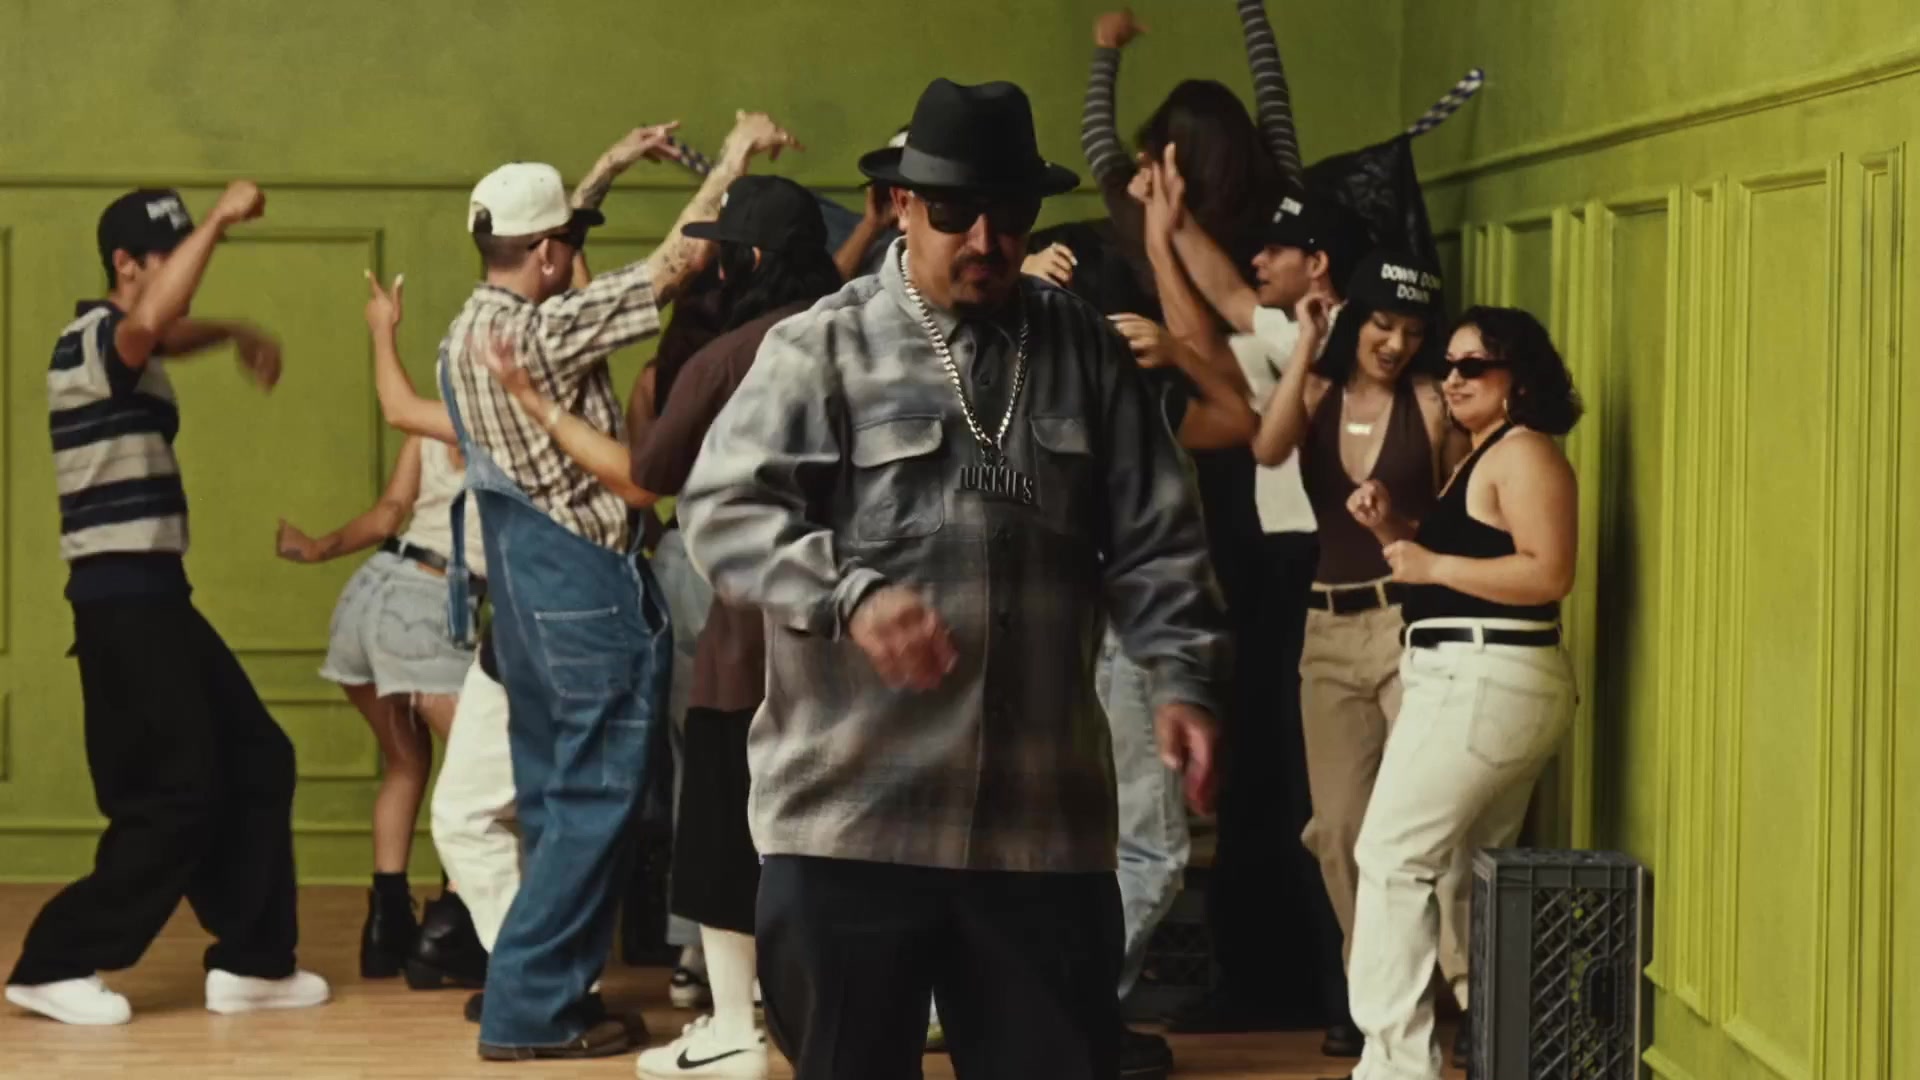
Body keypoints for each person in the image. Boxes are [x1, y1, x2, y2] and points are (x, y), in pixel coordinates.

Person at [679, 77, 1225, 1080]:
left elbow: (1160, 536)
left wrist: (1182, 676)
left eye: (1008, 214)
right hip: (850, 827)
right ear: (901, 205)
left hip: (1042, 836)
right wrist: (849, 594)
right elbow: (721, 512)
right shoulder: (822, 346)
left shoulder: (1086, 352)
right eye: (953, 212)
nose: (985, 238)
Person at [439, 111, 798, 1062]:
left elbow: (558, 247)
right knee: (594, 802)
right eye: (566, 242)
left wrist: (605, 168)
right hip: (580, 590)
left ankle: (546, 997)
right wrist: (732, 157)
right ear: (548, 254)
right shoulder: (544, 333)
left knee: (556, 801)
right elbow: (672, 267)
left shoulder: (466, 328)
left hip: (523, 600)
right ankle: (531, 1012)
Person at [6, 184, 331, 1026]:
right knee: (175, 794)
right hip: (121, 603)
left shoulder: (133, 348)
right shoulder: (90, 340)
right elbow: (148, 324)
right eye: (173, 257)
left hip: (157, 596)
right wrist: (218, 218)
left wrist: (234, 333)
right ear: (125, 264)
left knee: (259, 757)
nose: (192, 272)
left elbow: (163, 329)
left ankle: (255, 963)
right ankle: (54, 963)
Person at [1336, 307, 1582, 1080]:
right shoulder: (1485, 456)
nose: (1452, 378)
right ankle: (1502, 1048)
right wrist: (1396, 533)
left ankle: (1394, 1069)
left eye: (1473, 365)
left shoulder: (1524, 452)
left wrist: (1431, 564)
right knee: (1464, 874)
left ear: (1520, 378)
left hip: (1484, 677)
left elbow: (1549, 572)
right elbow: (1460, 565)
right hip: (1480, 677)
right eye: (1447, 365)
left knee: (1392, 856)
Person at [1247, 247, 1467, 1058]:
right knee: (1339, 830)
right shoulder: (1318, 390)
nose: (1396, 343)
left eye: (1411, 330)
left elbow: (1457, 523)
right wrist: (1309, 337)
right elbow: (1267, 448)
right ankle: (1381, 988)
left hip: (1409, 622)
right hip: (1328, 631)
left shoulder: (1430, 403)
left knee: (1426, 823)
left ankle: (1456, 995)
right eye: (1381, 323)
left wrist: (1397, 524)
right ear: (1355, 320)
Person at [274, 424, 483, 979]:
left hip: (366, 598)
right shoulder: (515, 432)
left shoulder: (427, 431)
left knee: (406, 763)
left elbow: (389, 514)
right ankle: (454, 927)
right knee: (481, 771)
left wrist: (318, 548)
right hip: (427, 607)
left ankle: (387, 930)